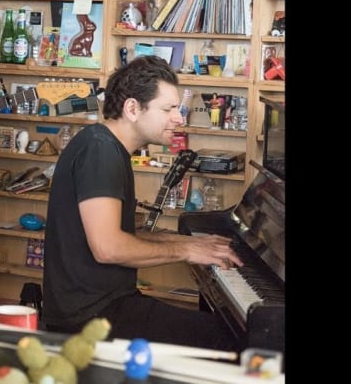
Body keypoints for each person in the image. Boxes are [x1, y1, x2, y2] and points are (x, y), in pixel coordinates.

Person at [42, 55, 242, 351]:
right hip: (90, 319)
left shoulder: (105, 145)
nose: (179, 118)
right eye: (168, 109)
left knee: (223, 331)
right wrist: (187, 249)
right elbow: (108, 248)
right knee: (236, 341)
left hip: (102, 308)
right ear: (132, 108)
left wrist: (186, 242)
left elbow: (121, 235)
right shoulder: (100, 151)